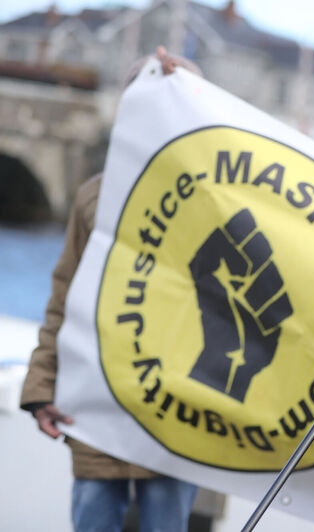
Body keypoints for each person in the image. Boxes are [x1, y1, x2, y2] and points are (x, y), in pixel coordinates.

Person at [20, 47, 202, 532]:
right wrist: (41, 388)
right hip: (97, 401)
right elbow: (64, 298)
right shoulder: (94, 196)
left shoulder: (214, 202)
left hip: (177, 412)